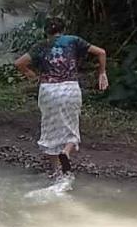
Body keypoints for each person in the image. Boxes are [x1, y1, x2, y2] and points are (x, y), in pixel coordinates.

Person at [14, 17, 108, 175]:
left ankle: (57, 172)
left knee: (49, 129)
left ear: (46, 32)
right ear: (63, 29)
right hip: (69, 88)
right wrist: (102, 73)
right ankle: (66, 151)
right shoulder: (73, 40)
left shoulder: (41, 45)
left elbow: (19, 63)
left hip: (48, 90)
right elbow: (101, 52)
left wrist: (31, 75)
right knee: (71, 126)